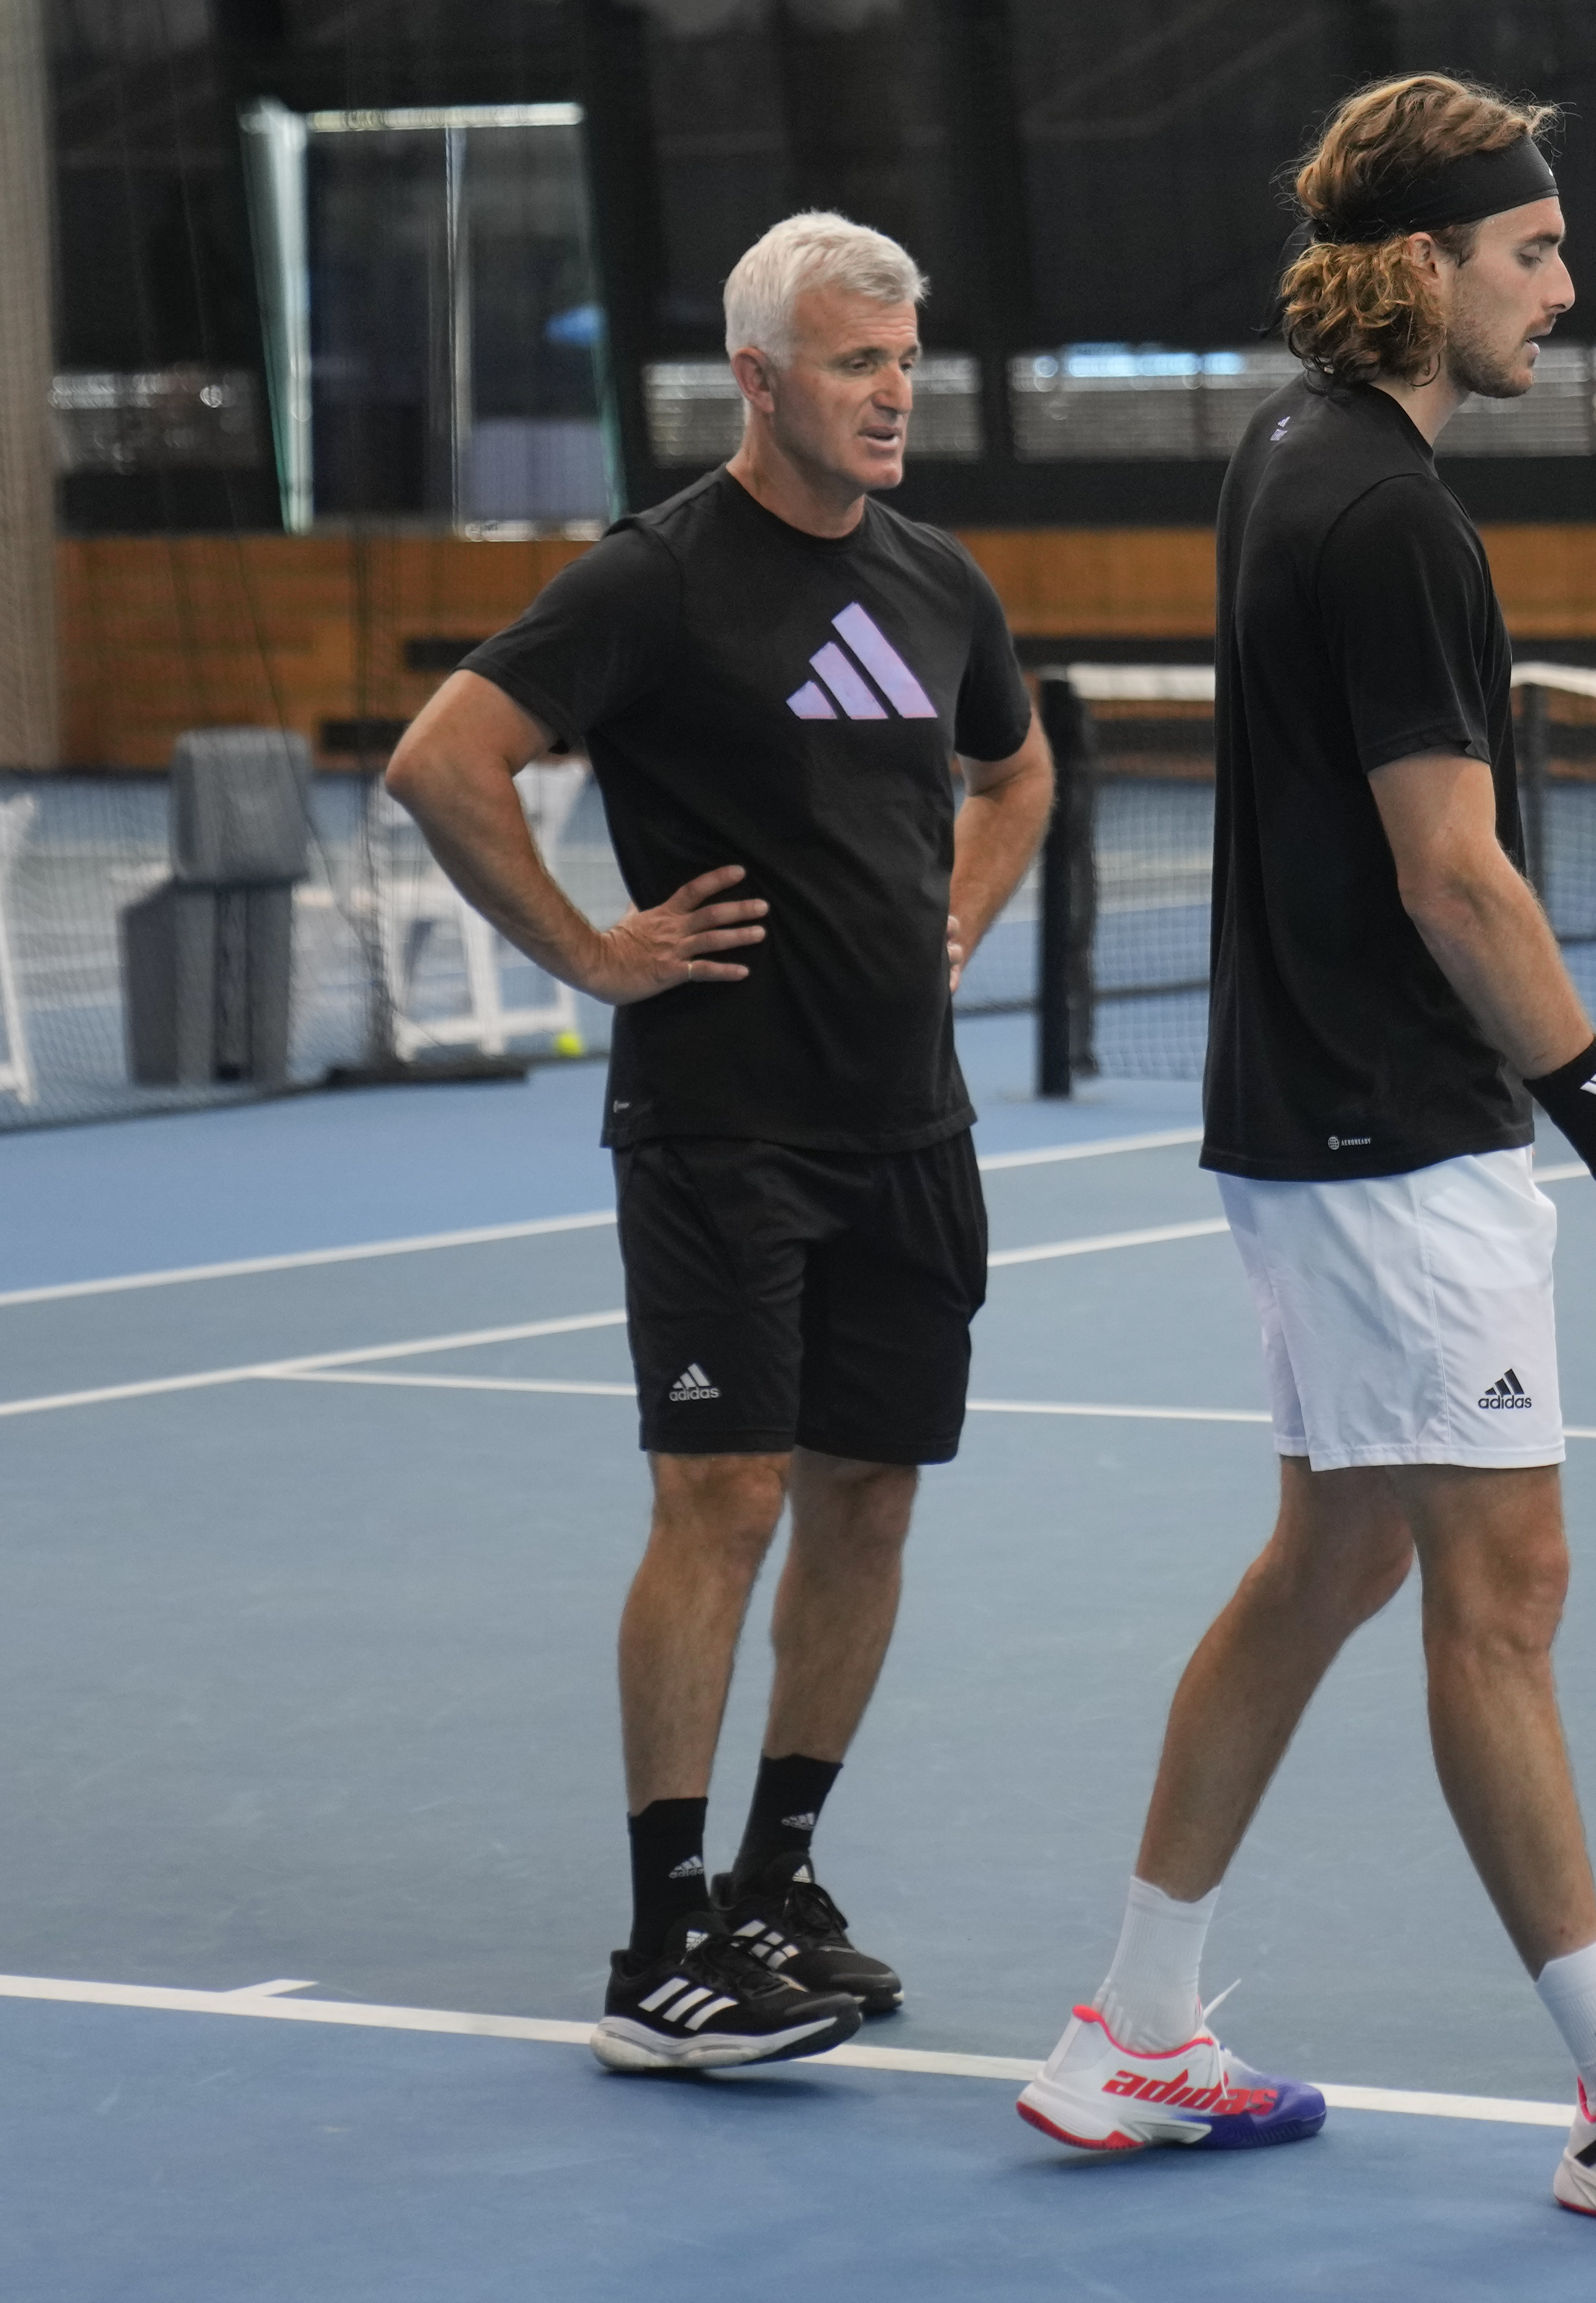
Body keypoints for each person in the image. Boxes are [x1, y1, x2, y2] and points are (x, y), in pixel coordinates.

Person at [1009, 75, 1596, 2249]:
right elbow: (1456, 877)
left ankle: (1133, 2028)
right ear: (1423, 266)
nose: (1564, 285)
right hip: (1384, 1137)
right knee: (1503, 1591)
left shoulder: (1287, 451)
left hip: (1318, 1115)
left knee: (1335, 1560)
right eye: (1530, 251)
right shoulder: (1388, 513)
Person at [383, 214, 1051, 2072]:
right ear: (762, 381)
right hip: (719, 1130)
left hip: (910, 1125)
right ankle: (664, 1943)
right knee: (724, 1498)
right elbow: (445, 758)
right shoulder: (654, 583)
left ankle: (778, 1881)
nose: (896, 390)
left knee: (869, 1496)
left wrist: (963, 913)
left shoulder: (935, 582)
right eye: (858, 362)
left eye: (908, 357)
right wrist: (596, 954)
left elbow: (1022, 770)